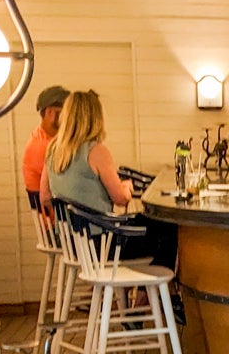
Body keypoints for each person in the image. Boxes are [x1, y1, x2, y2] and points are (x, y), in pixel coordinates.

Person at [41, 90, 176, 265]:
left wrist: (74, 203)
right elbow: (120, 199)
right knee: (169, 227)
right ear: (95, 119)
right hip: (101, 245)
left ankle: (141, 289)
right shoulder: (96, 151)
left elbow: (45, 197)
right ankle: (147, 290)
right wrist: (125, 187)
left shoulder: (53, 151)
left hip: (71, 244)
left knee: (148, 224)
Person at [21, 85, 69, 210]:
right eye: (64, 113)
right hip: (57, 222)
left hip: (60, 216)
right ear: (49, 112)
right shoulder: (42, 146)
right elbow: (66, 183)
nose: (69, 119)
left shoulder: (46, 137)